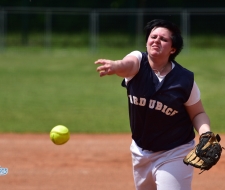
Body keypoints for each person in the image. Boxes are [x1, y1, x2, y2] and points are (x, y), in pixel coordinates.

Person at [95, 19, 211, 190]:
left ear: (173, 49)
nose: (156, 40)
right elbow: (127, 65)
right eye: (153, 36)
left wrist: (206, 134)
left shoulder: (184, 80)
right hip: (140, 151)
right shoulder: (138, 61)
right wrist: (116, 65)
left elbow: (197, 113)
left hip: (174, 151)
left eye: (163, 39)